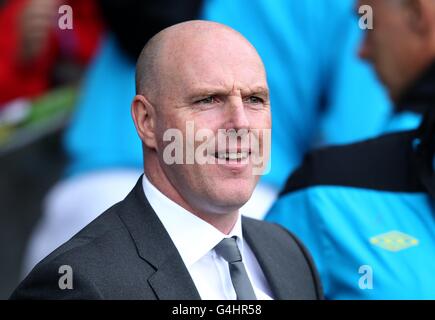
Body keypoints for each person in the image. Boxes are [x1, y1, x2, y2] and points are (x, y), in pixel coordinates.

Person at [11, 21, 323, 300]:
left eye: (255, 99)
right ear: (146, 121)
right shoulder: (77, 283)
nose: (240, 123)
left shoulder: (290, 254)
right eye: (208, 100)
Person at [266, 0, 435, 299]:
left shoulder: (325, 193)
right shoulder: (323, 194)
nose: (362, 52)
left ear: (415, 13)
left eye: (369, 24)